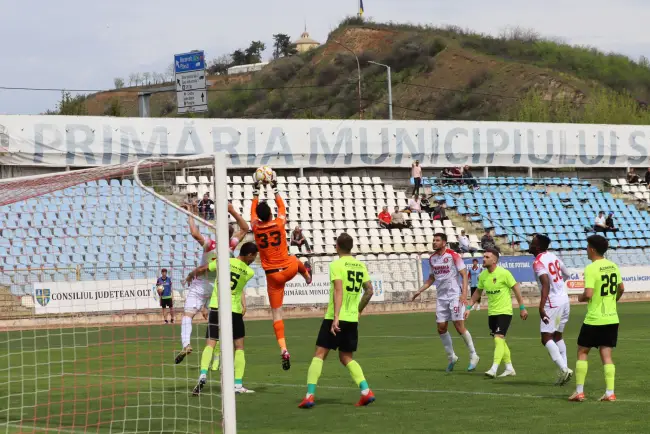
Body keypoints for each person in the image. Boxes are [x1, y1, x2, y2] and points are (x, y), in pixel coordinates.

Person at [298, 233, 376, 409]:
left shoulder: (336, 265)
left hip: (336, 317)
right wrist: (358, 311)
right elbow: (369, 291)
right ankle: (366, 392)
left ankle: (309, 396)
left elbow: (338, 291)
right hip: (352, 319)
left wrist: (335, 318)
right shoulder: (360, 265)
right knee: (346, 357)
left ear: (337, 246)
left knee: (319, 355)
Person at [175, 203, 249, 365]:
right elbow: (245, 228)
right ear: (230, 235)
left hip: (201, 283)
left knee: (188, 315)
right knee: (213, 319)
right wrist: (232, 211)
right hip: (218, 286)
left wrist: (191, 214)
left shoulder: (210, 244)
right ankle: (216, 355)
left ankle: (186, 344)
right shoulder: (230, 246)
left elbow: (194, 233)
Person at [252, 174, 312, 370]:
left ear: (259, 217)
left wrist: (255, 190)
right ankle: (306, 275)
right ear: (270, 213)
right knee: (296, 258)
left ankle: (284, 349)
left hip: (273, 276)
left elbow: (253, 213)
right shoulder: (278, 223)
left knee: (276, 314)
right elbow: (282, 207)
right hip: (290, 268)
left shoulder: (256, 228)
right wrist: (274, 187)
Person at [187, 242, 259, 396]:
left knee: (210, 343)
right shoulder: (248, 272)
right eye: (254, 256)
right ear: (249, 255)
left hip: (216, 307)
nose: (254, 260)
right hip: (234, 310)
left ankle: (203, 374)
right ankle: (238, 384)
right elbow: (239, 291)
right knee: (239, 347)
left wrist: (190, 275)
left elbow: (203, 269)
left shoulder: (224, 262)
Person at [411, 233, 480, 372]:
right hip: (441, 297)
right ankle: (451, 357)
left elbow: (464, 274)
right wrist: (420, 290)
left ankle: (474, 355)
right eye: (433, 240)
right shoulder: (432, 259)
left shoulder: (453, 255)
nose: (434, 242)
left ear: (444, 243)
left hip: (455, 295)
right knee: (441, 328)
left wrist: (464, 294)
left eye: (437, 240)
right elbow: (431, 278)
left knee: (459, 325)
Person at [569, 235, 624, 402]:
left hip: (594, 318)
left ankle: (579, 391)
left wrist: (579, 298)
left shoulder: (591, 268)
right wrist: (613, 301)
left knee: (582, 350)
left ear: (592, 249)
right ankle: (610, 392)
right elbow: (621, 288)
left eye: (587, 246)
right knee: (606, 354)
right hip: (611, 318)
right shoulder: (613, 266)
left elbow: (588, 294)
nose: (586, 249)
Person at [466, 248, 528, 378]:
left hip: (504, 311)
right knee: (500, 341)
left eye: (487, 257)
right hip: (492, 313)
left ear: (494, 260)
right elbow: (478, 292)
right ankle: (509, 368)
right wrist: (468, 308)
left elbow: (516, 287)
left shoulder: (504, 273)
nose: (484, 259)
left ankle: (494, 368)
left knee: (498, 338)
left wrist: (522, 307)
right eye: (484, 256)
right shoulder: (483, 275)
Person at [529, 234, 573, 385]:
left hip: (552, 303)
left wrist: (541, 307)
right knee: (558, 336)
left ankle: (564, 369)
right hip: (564, 300)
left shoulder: (537, 262)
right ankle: (565, 370)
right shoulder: (552, 256)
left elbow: (545, 284)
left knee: (546, 338)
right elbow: (567, 274)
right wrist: (559, 286)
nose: (530, 244)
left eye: (532, 243)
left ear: (538, 247)